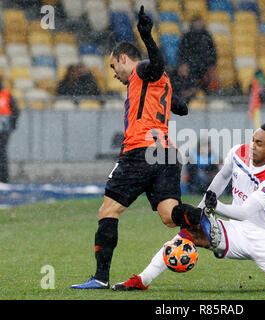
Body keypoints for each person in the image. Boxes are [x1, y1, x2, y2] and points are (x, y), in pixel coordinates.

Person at [71, 6, 202, 290]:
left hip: (141, 152)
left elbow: (154, 64)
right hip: (167, 154)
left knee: (108, 211)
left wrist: (146, 35)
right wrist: (168, 102)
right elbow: (183, 108)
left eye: (113, 66)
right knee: (170, 216)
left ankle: (100, 277)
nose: (114, 73)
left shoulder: (142, 71)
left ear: (123, 59)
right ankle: (203, 219)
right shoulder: (159, 84)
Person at [112, 123, 265, 291]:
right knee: (191, 231)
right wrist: (201, 210)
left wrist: (216, 206)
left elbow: (246, 211)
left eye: (260, 144)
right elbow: (222, 176)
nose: (253, 146)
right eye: (253, 140)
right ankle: (142, 279)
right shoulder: (239, 153)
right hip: (237, 232)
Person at [177, 15, 217, 93]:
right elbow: (182, 51)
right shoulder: (187, 36)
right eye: (196, 22)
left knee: (206, 89)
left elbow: (213, 52)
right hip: (191, 68)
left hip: (205, 67)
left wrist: (211, 64)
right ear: (192, 23)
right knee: (190, 89)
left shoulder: (207, 36)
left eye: (199, 22)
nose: (198, 24)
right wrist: (183, 63)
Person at [0, 77, 19, 183]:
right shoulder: (6, 95)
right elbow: (15, 111)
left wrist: (13, 124)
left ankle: (3, 178)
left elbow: (15, 110)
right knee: (2, 153)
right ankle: (3, 178)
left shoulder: (6, 95)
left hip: (3, 129)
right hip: (5, 127)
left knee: (2, 153)